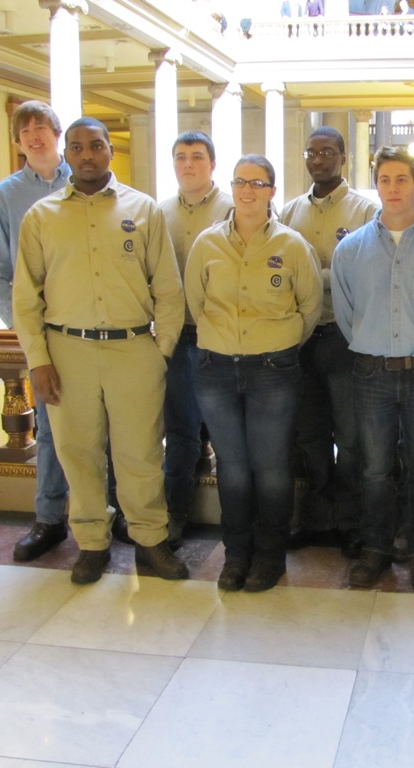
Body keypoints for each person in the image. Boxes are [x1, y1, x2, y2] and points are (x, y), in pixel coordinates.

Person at [12, 117, 188, 585]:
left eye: (95, 146)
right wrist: (39, 360)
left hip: (133, 349)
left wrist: (161, 352)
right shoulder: (42, 217)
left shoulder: (143, 209)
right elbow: (25, 299)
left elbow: (169, 289)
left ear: (110, 150)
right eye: (76, 147)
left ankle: (151, 542)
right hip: (66, 350)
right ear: (65, 155)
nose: (86, 154)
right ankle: (92, 544)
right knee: (78, 452)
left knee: (142, 454)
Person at [332, 146, 414, 594]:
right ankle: (376, 549)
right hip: (370, 372)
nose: (393, 189)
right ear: (377, 185)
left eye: (402, 180)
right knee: (374, 468)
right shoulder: (350, 250)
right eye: (385, 180)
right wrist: (371, 345)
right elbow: (346, 311)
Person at [185, 155, 323, 593]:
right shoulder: (206, 245)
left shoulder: (293, 246)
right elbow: (195, 303)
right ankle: (236, 554)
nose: (248, 190)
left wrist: (274, 344)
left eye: (258, 183)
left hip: (273, 370)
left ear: (271, 190)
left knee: (271, 467)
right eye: (241, 182)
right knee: (233, 467)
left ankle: (270, 556)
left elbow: (310, 309)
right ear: (232, 186)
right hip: (217, 369)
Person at [0, 100, 76, 563]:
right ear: (17, 140)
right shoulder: (5, 197)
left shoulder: (85, 179)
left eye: (43, 127)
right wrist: (27, 334)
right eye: (26, 131)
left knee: (111, 427)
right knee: (50, 428)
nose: (35, 136)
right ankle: (49, 518)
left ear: (57, 134)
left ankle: (113, 512)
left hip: (96, 328)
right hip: (43, 335)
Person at [281, 127, 379, 559]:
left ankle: (351, 522)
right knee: (311, 435)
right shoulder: (288, 213)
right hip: (301, 338)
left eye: (327, 151)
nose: (318, 158)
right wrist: (322, 280)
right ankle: (317, 518)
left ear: (344, 157)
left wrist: (314, 279)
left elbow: (366, 277)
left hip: (345, 338)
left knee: (352, 436)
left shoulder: (364, 211)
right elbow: (282, 276)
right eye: (312, 151)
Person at [157, 131, 232, 548]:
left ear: (212, 164)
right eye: (181, 157)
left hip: (220, 337)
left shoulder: (233, 208)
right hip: (177, 335)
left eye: (197, 156)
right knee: (181, 429)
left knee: (226, 433)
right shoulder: (158, 213)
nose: (188, 164)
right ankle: (175, 513)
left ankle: (234, 520)